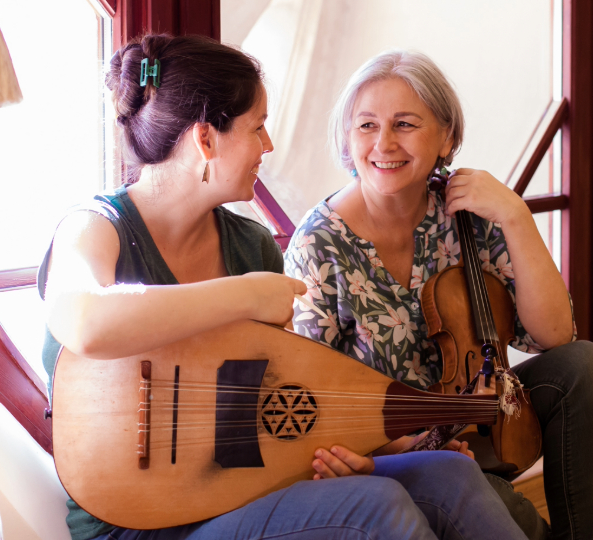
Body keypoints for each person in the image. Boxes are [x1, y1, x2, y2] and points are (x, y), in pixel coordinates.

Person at [38, 34, 529, 540]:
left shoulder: (250, 245)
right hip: (139, 526)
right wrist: (245, 295)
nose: (267, 145)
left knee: (448, 473)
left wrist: (375, 452)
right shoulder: (95, 227)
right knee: (375, 506)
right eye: (257, 127)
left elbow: (277, 412)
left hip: (245, 492)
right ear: (206, 140)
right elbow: (84, 320)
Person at [284, 50, 593, 540]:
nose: (383, 143)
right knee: (514, 519)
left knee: (586, 367)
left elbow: (555, 335)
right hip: (392, 450)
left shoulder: (466, 210)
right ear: (346, 137)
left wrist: (515, 216)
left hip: (484, 421)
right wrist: (404, 448)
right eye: (365, 125)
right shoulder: (319, 243)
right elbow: (312, 398)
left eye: (405, 124)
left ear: (447, 136)